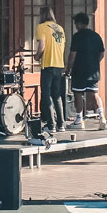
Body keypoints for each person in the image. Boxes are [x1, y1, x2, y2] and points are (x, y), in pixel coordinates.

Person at [66, 12, 106, 130]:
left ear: (78, 23)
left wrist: (69, 69)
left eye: (75, 23)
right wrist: (94, 62)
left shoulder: (77, 36)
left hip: (80, 70)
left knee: (78, 94)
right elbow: (102, 53)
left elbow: (72, 55)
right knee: (95, 94)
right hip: (93, 71)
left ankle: (79, 120)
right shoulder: (96, 36)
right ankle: (102, 117)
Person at [34, 7, 67, 135]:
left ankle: (51, 124)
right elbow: (62, 46)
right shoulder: (60, 28)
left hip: (48, 64)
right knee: (57, 95)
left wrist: (37, 56)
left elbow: (42, 45)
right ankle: (61, 123)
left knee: (46, 94)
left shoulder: (42, 27)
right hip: (59, 65)